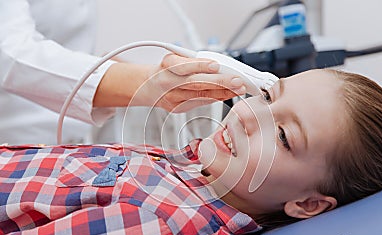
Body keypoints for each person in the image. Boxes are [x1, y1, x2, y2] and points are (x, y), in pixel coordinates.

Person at [0, 69, 382, 235]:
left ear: (309, 205)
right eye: (267, 95)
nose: (246, 113)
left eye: (281, 136)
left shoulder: (155, 224)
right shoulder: (195, 173)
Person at [0, 0, 244, 145]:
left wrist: (116, 67)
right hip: (23, 142)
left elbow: (63, 40)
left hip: (80, 136)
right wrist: (147, 83)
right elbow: (9, 54)